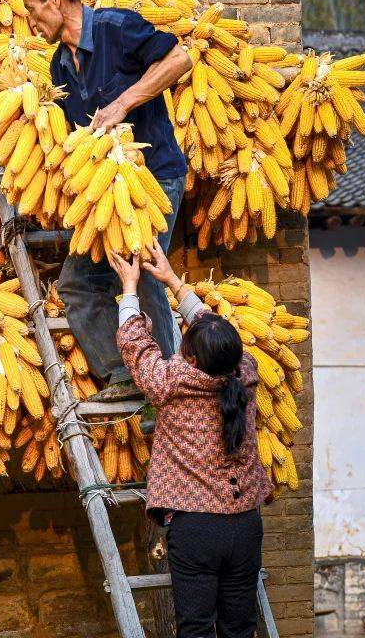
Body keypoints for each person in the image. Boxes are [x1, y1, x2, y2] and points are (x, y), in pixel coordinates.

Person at [19, 0, 192, 400]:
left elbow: (180, 59)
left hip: (153, 178)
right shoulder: (59, 67)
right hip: (109, 191)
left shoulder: (117, 28)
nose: (32, 23)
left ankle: (167, 390)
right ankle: (125, 375)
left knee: (145, 271)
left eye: (33, 10)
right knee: (78, 283)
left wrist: (122, 104)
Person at [109, 240, 273, 638]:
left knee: (195, 629)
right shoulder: (245, 372)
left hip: (197, 529)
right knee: (240, 629)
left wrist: (130, 288)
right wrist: (170, 280)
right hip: (246, 525)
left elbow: (135, 344)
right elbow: (216, 331)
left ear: (194, 359)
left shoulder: (170, 382)